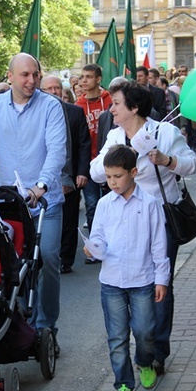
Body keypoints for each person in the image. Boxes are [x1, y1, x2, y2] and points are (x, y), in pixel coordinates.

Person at [90, 80, 196, 376]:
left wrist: (167, 160)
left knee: (159, 284)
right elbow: (96, 172)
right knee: (130, 283)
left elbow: (192, 164)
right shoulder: (115, 136)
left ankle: (155, 351)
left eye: (116, 104)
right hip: (125, 219)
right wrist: (118, 158)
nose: (110, 109)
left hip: (161, 215)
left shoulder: (164, 132)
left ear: (134, 107)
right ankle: (139, 344)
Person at [0, 53, 66, 349]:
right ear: (10, 77)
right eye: (24, 75)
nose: (31, 80)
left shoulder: (51, 107)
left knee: (47, 258)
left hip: (43, 201)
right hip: (6, 203)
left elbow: (56, 151)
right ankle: (13, 322)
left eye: (35, 74)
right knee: (12, 265)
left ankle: (45, 326)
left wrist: (41, 186)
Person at [85, 145, 169, 391]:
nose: (112, 182)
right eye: (108, 177)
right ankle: (123, 385)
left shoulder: (150, 204)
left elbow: (159, 244)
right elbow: (97, 234)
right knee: (116, 337)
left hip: (142, 279)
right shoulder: (104, 204)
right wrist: (92, 247)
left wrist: (161, 278)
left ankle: (144, 362)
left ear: (133, 172)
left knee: (144, 331)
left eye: (118, 176)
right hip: (111, 280)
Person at [41, 74, 91, 274]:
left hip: (69, 176)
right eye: (49, 89)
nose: (54, 92)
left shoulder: (75, 112)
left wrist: (81, 172)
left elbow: (84, 144)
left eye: (56, 88)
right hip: (42, 179)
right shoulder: (37, 114)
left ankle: (66, 259)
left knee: (69, 220)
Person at [75, 64, 112, 251]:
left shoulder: (110, 101)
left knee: (111, 203)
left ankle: (112, 242)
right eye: (82, 77)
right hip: (88, 163)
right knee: (92, 205)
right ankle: (95, 245)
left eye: (88, 77)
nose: (84, 81)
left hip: (110, 162)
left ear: (98, 79)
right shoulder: (78, 105)